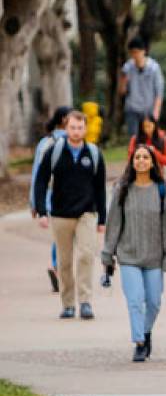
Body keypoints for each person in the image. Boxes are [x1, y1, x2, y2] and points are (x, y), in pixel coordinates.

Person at [101, 145, 166, 361]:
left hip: (153, 257)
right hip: (128, 256)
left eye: (145, 157)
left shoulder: (162, 190)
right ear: (132, 162)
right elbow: (113, 224)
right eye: (137, 157)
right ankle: (140, 343)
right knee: (135, 300)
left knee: (153, 302)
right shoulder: (122, 189)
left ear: (153, 162)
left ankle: (146, 331)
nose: (141, 160)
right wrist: (108, 255)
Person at [33, 111, 107, 320]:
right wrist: (41, 211)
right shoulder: (54, 151)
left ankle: (85, 302)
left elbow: (100, 188)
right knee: (64, 262)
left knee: (85, 255)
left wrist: (102, 218)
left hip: (87, 213)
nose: (76, 131)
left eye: (80, 127)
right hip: (60, 214)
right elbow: (41, 180)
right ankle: (67, 304)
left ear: (85, 129)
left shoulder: (93, 153)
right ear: (66, 128)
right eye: (72, 127)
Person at [30, 106, 71, 293]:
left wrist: (34, 202)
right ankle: (57, 267)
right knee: (63, 233)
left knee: (60, 233)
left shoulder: (44, 142)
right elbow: (40, 175)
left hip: (50, 196)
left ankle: (57, 267)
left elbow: (36, 175)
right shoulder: (65, 141)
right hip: (57, 196)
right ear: (63, 119)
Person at [120, 37, 164, 137]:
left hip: (149, 109)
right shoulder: (127, 67)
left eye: (136, 52)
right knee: (134, 139)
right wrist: (123, 81)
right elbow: (122, 92)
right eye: (132, 53)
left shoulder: (154, 68)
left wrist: (156, 112)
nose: (134, 55)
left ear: (143, 51)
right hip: (132, 108)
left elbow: (159, 92)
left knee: (149, 139)